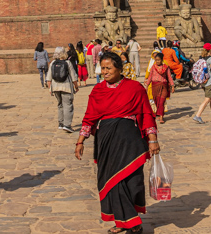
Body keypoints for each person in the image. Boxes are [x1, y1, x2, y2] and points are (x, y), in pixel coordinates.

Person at [76, 50, 158, 232]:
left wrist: (152, 139)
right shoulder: (97, 90)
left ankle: (128, 220)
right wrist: (80, 140)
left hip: (130, 141)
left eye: (108, 68)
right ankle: (126, 222)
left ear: (119, 69)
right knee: (112, 181)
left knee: (131, 180)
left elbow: (145, 114)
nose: (104, 72)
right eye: (102, 68)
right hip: (106, 142)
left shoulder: (135, 88)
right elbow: (89, 117)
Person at [49, 46, 79, 131]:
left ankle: (61, 123)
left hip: (55, 87)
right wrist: (76, 86)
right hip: (66, 87)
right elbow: (73, 77)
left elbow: (48, 78)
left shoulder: (53, 63)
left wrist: (50, 89)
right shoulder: (67, 62)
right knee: (68, 105)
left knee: (60, 104)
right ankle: (67, 125)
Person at [190, 43, 211, 123]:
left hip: (203, 82)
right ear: (210, 50)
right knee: (207, 99)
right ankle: (198, 115)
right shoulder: (210, 59)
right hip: (210, 81)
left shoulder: (201, 58)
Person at [145, 51, 173, 120]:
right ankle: (159, 113)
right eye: (156, 60)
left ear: (162, 60)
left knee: (161, 101)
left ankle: (161, 117)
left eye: (159, 60)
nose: (157, 61)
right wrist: (147, 85)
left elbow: (169, 77)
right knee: (156, 100)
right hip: (155, 86)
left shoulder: (166, 67)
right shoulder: (153, 67)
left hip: (163, 86)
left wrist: (172, 86)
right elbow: (150, 76)